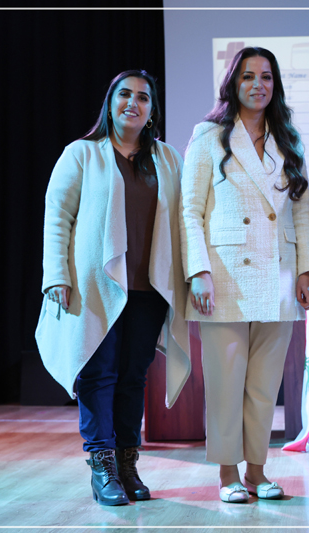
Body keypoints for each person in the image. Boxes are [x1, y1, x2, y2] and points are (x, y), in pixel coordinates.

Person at [36, 70, 190, 506]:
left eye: (143, 97)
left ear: (152, 110)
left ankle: (127, 463)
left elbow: (184, 219)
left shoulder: (167, 158)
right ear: (110, 102)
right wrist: (56, 275)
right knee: (98, 373)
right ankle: (101, 465)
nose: (133, 103)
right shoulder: (82, 153)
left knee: (133, 376)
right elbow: (57, 216)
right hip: (95, 285)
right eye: (125, 94)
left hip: (150, 287)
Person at [180, 47, 309, 504]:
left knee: (264, 385)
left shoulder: (288, 139)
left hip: (279, 274)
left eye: (266, 76)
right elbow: (190, 210)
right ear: (232, 84)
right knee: (225, 383)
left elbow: (303, 214)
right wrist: (198, 271)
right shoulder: (208, 135)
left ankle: (257, 471)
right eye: (247, 76)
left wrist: (307, 271)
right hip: (223, 276)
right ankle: (227, 475)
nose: (258, 85)